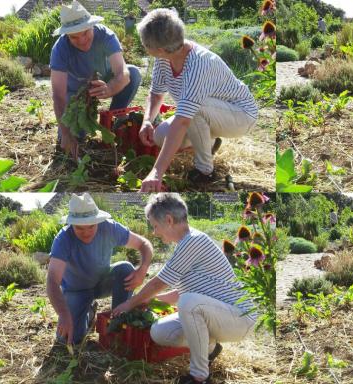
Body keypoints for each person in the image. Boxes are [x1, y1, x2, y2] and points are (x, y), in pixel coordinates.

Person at [112, 193, 256, 384]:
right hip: (219, 316)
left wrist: (130, 303)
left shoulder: (193, 240)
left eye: (155, 226)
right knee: (160, 331)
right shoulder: (185, 243)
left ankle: (199, 377)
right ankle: (210, 349)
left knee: (188, 303)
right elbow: (180, 293)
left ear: (169, 220)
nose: (154, 232)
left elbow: (159, 282)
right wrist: (150, 301)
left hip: (240, 318)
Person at [135, 9, 258, 191]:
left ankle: (205, 171)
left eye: (145, 44)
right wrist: (147, 121)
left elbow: (184, 120)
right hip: (212, 112)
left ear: (159, 49)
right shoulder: (164, 58)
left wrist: (156, 172)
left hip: (241, 115)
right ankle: (209, 142)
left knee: (193, 110)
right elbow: (156, 93)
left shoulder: (199, 64)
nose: (143, 47)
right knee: (160, 136)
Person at [47, 193, 153, 345]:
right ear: (71, 224)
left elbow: (144, 244)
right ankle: (88, 312)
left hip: (102, 282)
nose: (86, 232)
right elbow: (52, 280)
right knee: (68, 340)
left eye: (91, 226)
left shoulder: (109, 227)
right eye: (80, 228)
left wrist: (143, 269)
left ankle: (119, 321)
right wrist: (63, 314)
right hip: (76, 290)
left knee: (125, 269)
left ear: (98, 221)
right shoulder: (63, 238)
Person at [50, 0, 142, 159]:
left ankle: (114, 117)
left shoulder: (106, 35)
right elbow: (58, 95)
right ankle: (78, 129)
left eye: (85, 33)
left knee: (133, 73)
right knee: (73, 138)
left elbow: (123, 73)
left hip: (105, 79)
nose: (82, 40)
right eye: (74, 37)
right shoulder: (60, 49)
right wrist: (65, 133)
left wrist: (110, 88)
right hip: (75, 92)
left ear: (92, 26)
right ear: (67, 36)